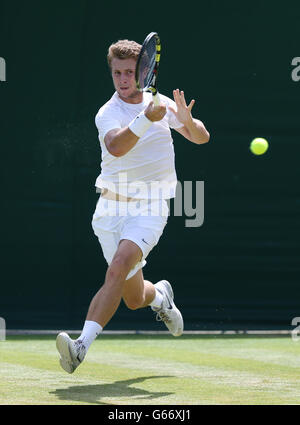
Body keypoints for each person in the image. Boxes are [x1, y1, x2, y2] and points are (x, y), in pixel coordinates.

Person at [56, 39, 210, 374]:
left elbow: (201, 138)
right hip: (109, 211)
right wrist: (144, 118)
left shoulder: (163, 104)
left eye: (129, 72)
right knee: (133, 296)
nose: (124, 79)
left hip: (151, 207)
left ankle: (80, 347)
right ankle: (160, 297)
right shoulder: (107, 113)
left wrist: (189, 121)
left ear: (142, 72)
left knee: (117, 267)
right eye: (117, 73)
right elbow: (115, 146)